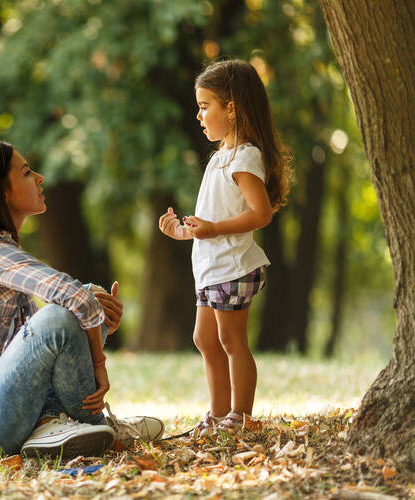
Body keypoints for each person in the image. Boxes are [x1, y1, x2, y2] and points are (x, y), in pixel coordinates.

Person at [0, 139, 163, 463]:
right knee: (62, 315)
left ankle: (53, 423)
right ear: (0, 192)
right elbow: (66, 304)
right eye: (26, 173)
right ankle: (95, 426)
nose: (40, 178)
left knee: (81, 299)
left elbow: (35, 339)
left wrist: (92, 304)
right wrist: (99, 364)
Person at [158, 59, 292, 436]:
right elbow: (211, 222)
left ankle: (241, 415)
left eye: (205, 106)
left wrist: (214, 227)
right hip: (212, 266)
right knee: (204, 338)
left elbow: (260, 214)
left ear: (231, 108)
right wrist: (184, 232)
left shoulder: (246, 156)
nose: (199, 115)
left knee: (232, 340)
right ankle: (217, 414)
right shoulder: (221, 157)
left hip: (233, 267)